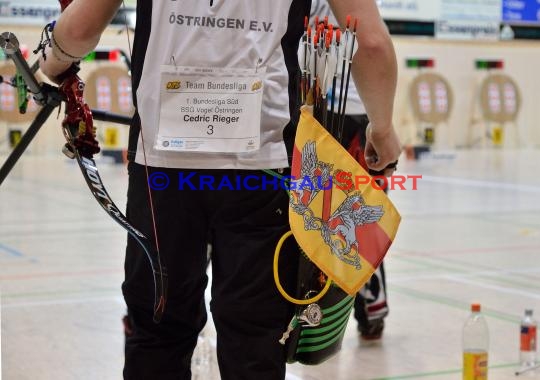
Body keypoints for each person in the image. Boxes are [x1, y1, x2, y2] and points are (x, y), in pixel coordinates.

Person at [40, 0, 400, 379]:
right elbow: (371, 43)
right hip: (262, 170)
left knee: (158, 330)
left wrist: (52, 63)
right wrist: (383, 127)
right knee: (255, 334)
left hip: (164, 172)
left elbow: (79, 29)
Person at [310, 0, 391, 342]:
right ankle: (368, 310)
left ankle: (325, 311)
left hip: (330, 109)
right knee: (355, 216)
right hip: (349, 110)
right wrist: (383, 123)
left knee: (325, 214)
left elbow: (372, 43)